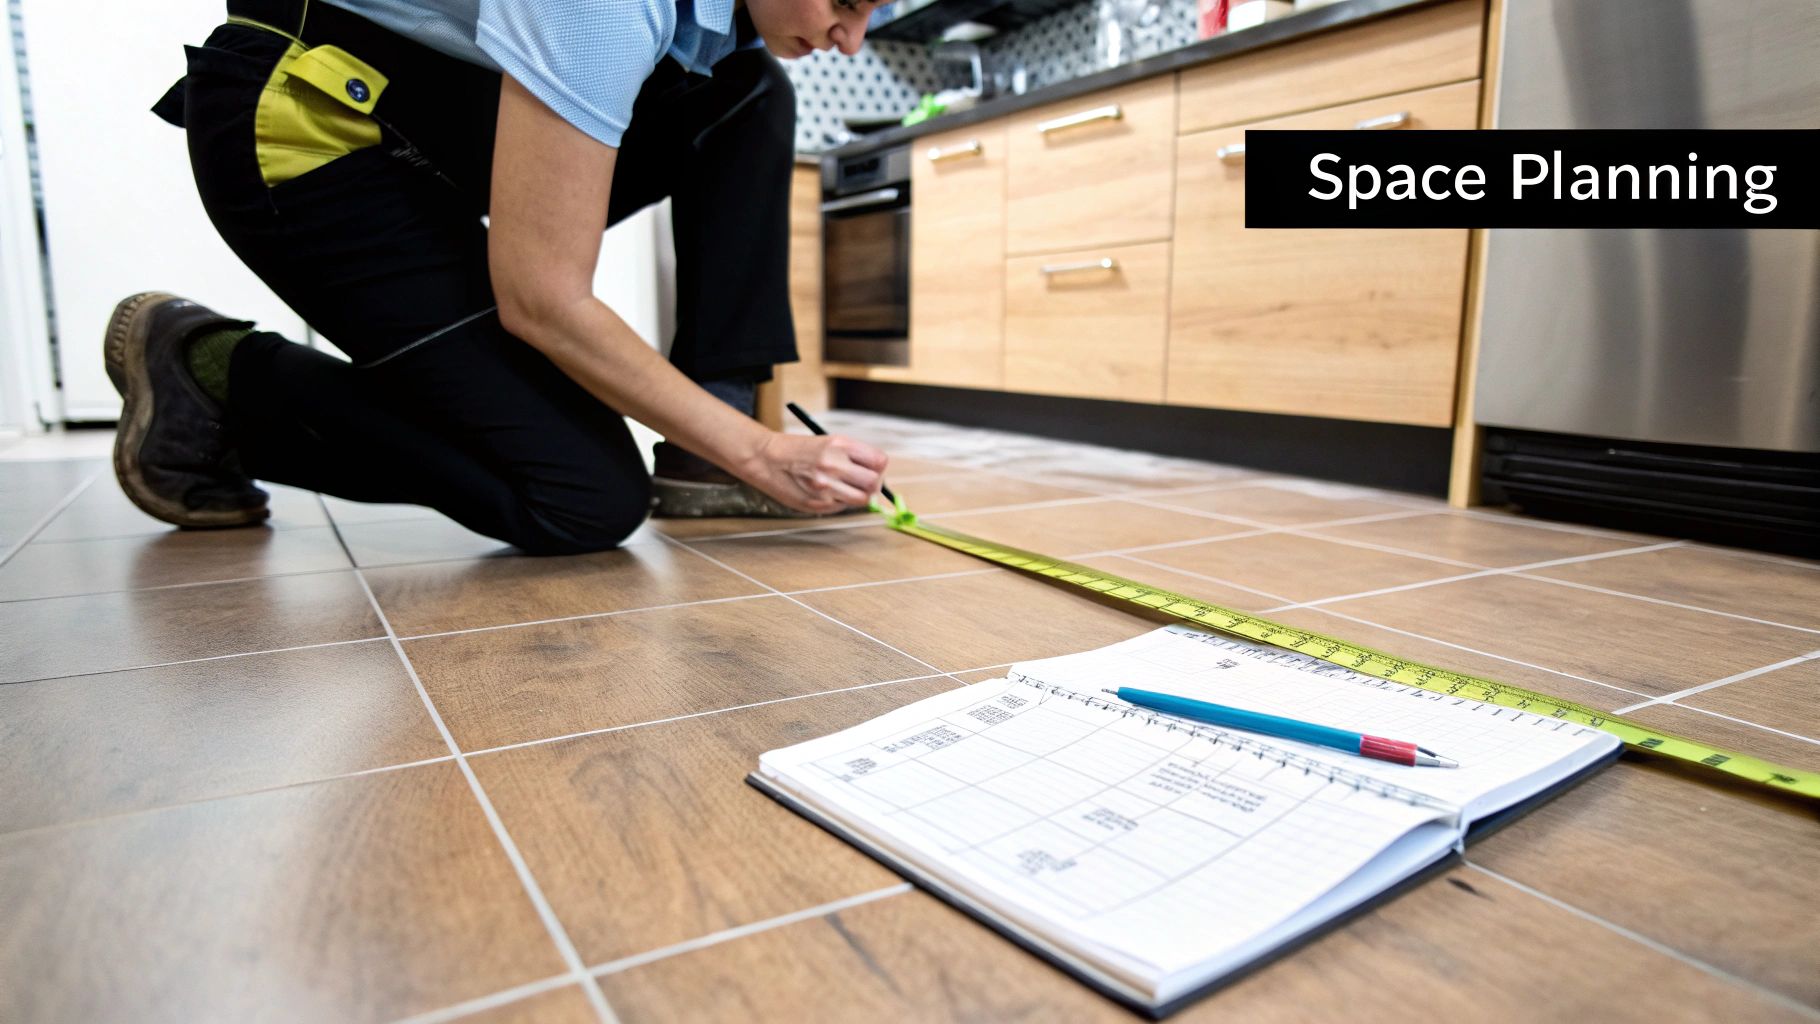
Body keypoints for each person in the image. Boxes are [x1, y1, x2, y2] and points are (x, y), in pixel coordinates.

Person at [107, 0, 888, 554]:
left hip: (421, 121)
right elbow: (544, 303)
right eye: (844, 4)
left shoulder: (706, 27)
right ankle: (217, 377)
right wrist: (759, 452)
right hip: (310, 132)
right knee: (584, 498)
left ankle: (702, 451)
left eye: (872, 16)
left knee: (745, 93)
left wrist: (724, 433)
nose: (850, 41)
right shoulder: (609, 9)